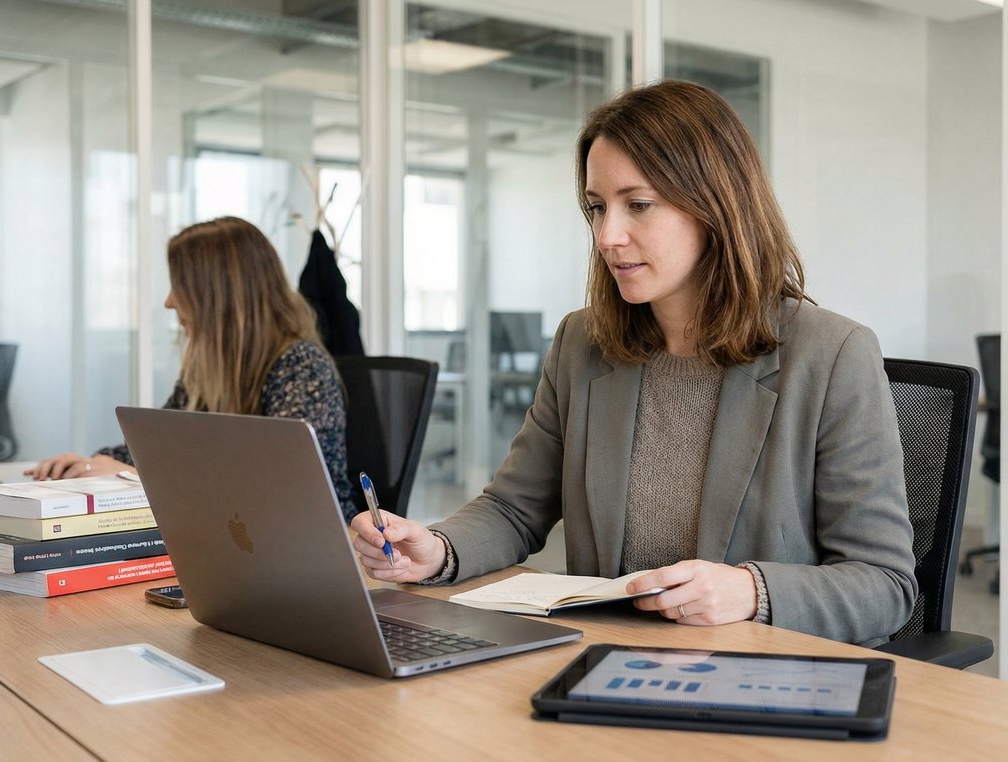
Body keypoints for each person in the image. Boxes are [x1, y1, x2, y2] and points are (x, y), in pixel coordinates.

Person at [352, 80, 917, 646]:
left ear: (715, 206)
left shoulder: (833, 354)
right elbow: (514, 508)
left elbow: (884, 585)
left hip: (758, 670)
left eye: (638, 205)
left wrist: (751, 591)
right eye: (597, 208)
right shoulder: (582, 344)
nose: (607, 236)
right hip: (607, 653)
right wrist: (438, 549)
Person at [28, 217, 354, 516]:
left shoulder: (301, 366)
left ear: (217, 295)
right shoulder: (207, 371)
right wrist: (87, 465)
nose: (169, 301)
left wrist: (129, 475)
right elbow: (159, 450)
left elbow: (282, 488)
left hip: (320, 542)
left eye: (179, 286)